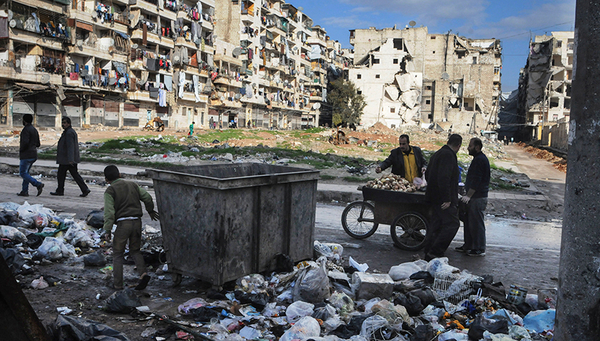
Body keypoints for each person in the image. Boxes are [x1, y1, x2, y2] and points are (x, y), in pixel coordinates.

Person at [102, 165, 159, 290]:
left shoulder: (110, 191)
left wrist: (107, 229)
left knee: (117, 254)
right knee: (135, 251)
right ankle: (143, 274)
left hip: (123, 224)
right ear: (120, 175)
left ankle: (118, 284)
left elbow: (109, 212)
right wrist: (150, 211)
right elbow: (147, 198)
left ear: (106, 179)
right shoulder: (132, 184)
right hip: (137, 222)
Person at [423, 133, 463, 261]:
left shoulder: (438, 154)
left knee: (437, 224)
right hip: (443, 199)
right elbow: (444, 177)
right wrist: (447, 198)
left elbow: (428, 175)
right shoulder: (448, 156)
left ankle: (428, 251)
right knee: (452, 224)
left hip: (434, 197)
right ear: (458, 145)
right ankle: (435, 251)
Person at [455, 138, 490, 257]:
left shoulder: (480, 160)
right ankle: (468, 245)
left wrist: (469, 195)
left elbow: (477, 180)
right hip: (474, 197)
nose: (468, 148)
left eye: (470, 146)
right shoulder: (478, 159)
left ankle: (479, 248)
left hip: (477, 198)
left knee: (476, 223)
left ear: (477, 147)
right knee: (469, 222)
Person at [50, 117, 91, 197]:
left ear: (69, 123)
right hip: (67, 159)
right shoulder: (67, 132)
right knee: (73, 175)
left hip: (67, 160)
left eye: (65, 123)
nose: (63, 124)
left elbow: (70, 147)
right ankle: (84, 189)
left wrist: (71, 159)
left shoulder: (69, 133)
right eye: (63, 123)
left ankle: (60, 190)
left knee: (62, 175)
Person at [17, 114, 44, 197]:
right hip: (33, 154)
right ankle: (24, 191)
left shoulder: (26, 130)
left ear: (24, 120)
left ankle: (37, 184)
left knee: (22, 173)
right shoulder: (34, 130)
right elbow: (38, 144)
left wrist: (21, 150)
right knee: (26, 173)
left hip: (26, 154)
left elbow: (25, 142)